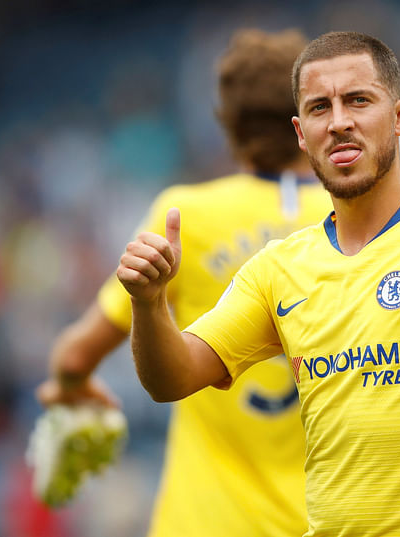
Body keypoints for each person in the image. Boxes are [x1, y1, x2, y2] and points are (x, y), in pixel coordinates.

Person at [117, 31, 400, 537]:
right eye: (319, 108)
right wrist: (149, 302)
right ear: (299, 132)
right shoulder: (278, 269)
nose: (339, 122)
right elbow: (172, 378)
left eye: (358, 100)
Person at [36, 29, 333, 537]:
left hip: (208, 522)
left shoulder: (184, 215)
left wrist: (72, 387)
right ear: (308, 118)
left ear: (228, 123)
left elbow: (74, 355)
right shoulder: (358, 217)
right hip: (334, 520)